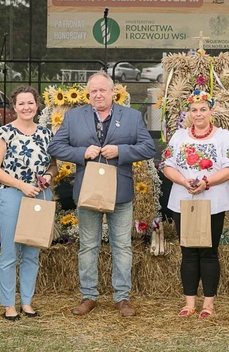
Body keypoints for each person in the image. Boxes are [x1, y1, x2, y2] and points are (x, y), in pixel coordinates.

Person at [48, 72, 156, 317]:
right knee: (88, 246)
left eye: (102, 90)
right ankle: (89, 296)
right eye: (93, 91)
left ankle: (122, 298)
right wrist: (82, 153)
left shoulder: (132, 116)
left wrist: (120, 150)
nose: (97, 95)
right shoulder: (74, 117)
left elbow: (149, 147)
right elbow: (55, 146)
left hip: (120, 191)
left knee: (122, 245)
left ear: (112, 92)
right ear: (88, 93)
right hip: (88, 190)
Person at [160, 89, 229, 318]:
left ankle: (208, 304)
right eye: (194, 110)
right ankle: (189, 302)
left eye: (203, 109)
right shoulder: (179, 136)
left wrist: (207, 181)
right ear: (189, 113)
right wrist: (183, 180)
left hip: (212, 203)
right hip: (183, 202)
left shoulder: (223, 136)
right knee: (188, 252)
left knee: (209, 252)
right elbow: (166, 165)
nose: (198, 114)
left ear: (211, 111)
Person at [0, 86, 57, 321]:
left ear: (37, 105)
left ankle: (27, 301)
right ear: (14, 107)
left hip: (38, 195)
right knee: (9, 252)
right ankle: (9, 304)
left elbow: (53, 165)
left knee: (32, 251)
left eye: (30, 103)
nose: (26, 107)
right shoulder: (4, 133)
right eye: (21, 103)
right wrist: (21, 185)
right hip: (12, 195)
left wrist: (48, 176)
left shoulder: (47, 134)